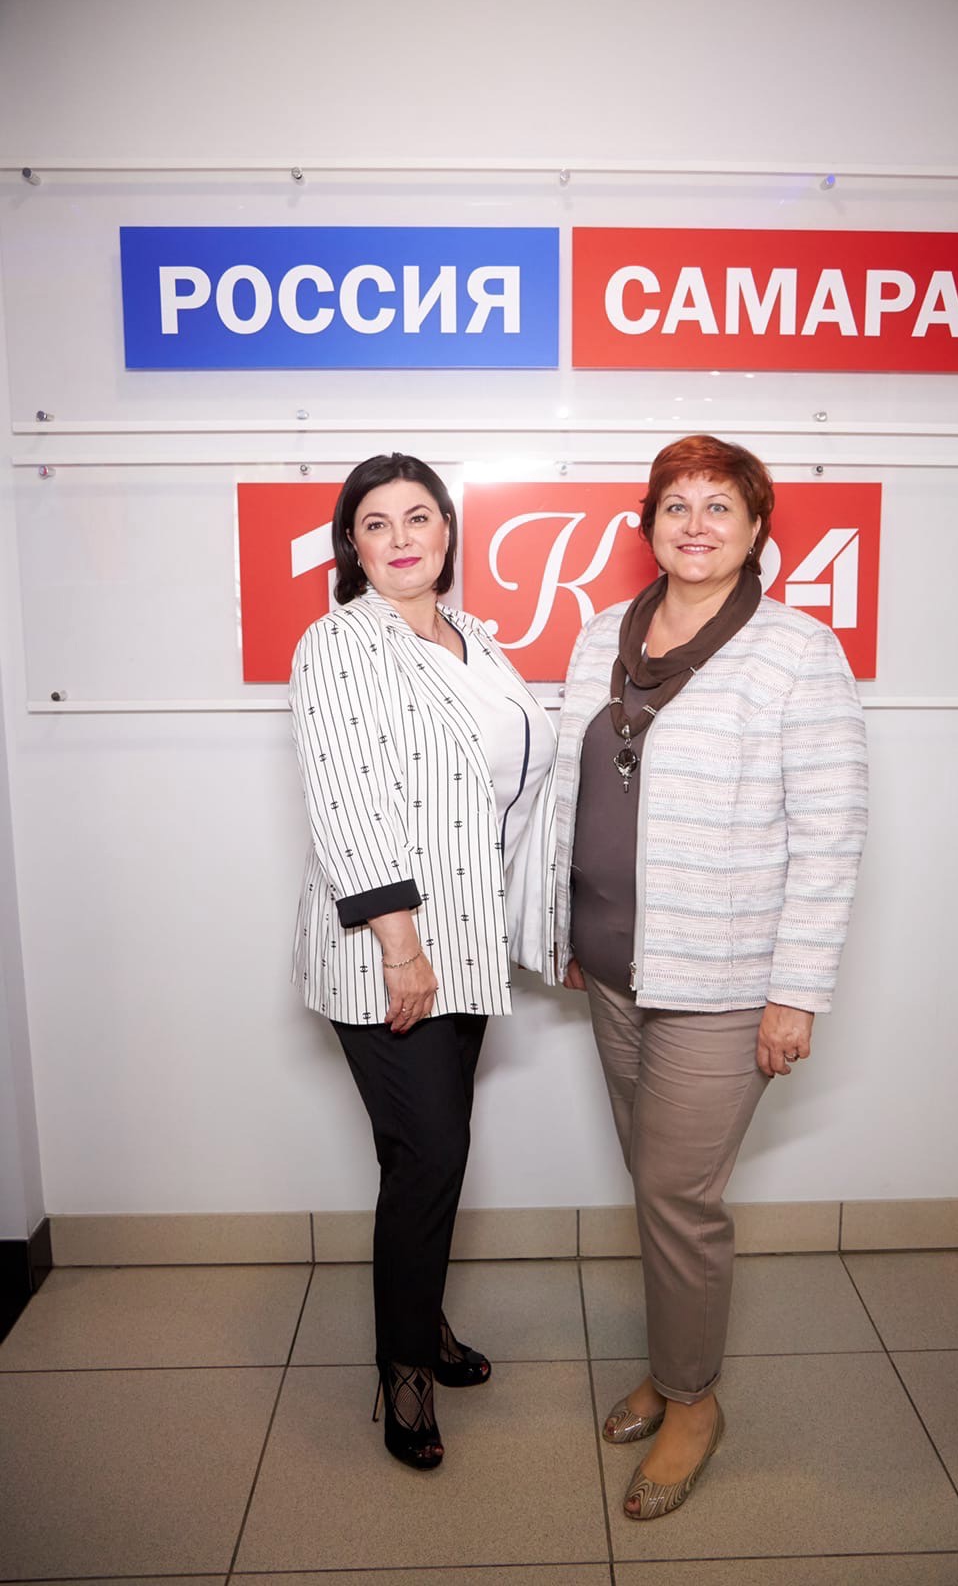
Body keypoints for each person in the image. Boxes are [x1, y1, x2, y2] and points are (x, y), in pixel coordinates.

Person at [553, 434, 867, 1520]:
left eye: (719, 506)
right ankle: (671, 1363)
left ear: (756, 528)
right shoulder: (603, 631)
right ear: (648, 524)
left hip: (724, 981)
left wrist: (795, 991)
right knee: (654, 1188)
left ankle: (692, 1401)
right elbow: (571, 795)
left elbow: (829, 834)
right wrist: (562, 919)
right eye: (675, 505)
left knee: (679, 1200)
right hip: (610, 969)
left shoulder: (796, 652)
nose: (695, 525)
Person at [289, 452, 554, 1471]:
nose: (400, 538)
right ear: (350, 546)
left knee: (426, 1158)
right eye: (375, 523)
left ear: (447, 530)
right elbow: (346, 801)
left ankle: (423, 1323)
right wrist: (401, 948)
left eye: (418, 517)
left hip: (468, 949)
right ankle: (403, 1370)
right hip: (389, 955)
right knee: (429, 1158)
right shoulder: (340, 642)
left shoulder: (475, 640)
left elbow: (513, 789)